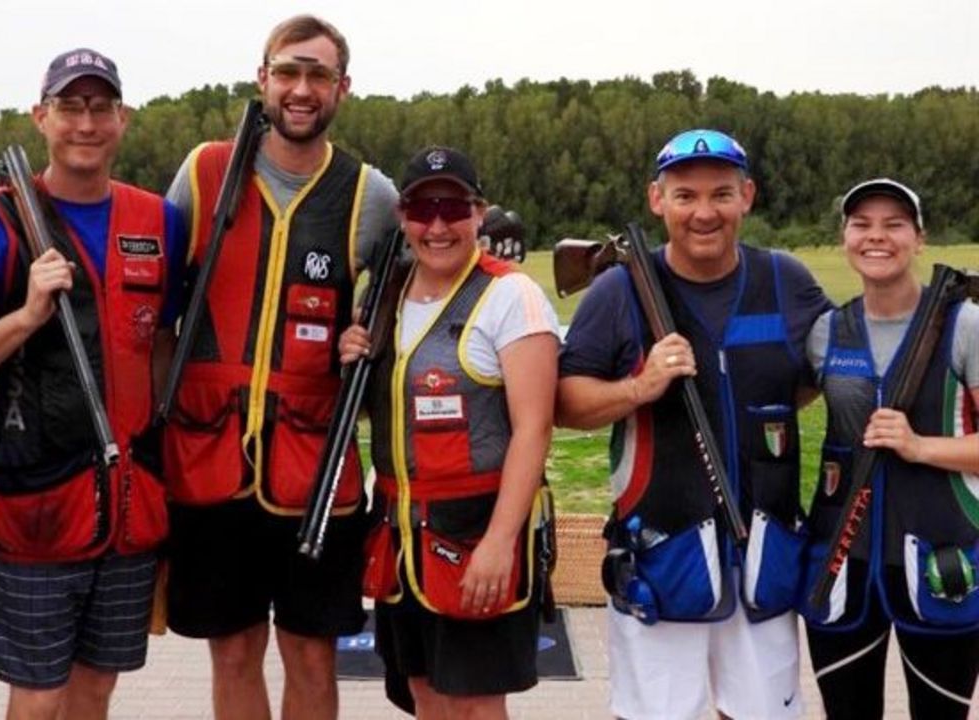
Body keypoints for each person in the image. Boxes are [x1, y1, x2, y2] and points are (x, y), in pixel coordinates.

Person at [0, 48, 186, 720]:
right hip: (40, 498)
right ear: (41, 116)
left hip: (131, 504)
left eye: (101, 106)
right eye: (70, 106)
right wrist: (27, 315)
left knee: (97, 687)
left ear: (124, 119)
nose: (86, 122)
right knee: (39, 695)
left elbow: (162, 342)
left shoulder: (160, 221)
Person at [161, 14, 399, 720]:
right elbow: (153, 314)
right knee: (233, 652)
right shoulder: (206, 171)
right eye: (288, 72)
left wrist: (367, 342)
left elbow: (398, 309)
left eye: (318, 75)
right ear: (263, 78)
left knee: (312, 655)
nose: (301, 89)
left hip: (315, 468)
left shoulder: (370, 195)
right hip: (208, 458)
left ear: (342, 88)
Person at [557, 128, 832, 720]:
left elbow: (819, 377)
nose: (704, 212)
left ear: (748, 196)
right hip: (660, 557)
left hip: (766, 555)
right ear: (657, 200)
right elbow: (566, 402)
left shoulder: (787, 280)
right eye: (685, 196)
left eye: (721, 194)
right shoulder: (619, 288)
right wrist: (641, 387)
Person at [338, 146, 557, 719]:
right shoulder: (385, 292)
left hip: (476, 533)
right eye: (421, 208)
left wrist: (500, 542)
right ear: (403, 216)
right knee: (425, 697)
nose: (437, 225)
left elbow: (534, 430)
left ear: (479, 213)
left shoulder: (512, 295)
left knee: (475, 707)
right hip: (401, 538)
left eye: (454, 207)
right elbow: (372, 413)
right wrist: (350, 359)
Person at [802, 178, 979, 719]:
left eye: (894, 224)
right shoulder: (827, 331)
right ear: (844, 237)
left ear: (920, 239)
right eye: (862, 224)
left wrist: (919, 445)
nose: (876, 237)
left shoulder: (965, 325)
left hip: (940, 562)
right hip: (841, 564)